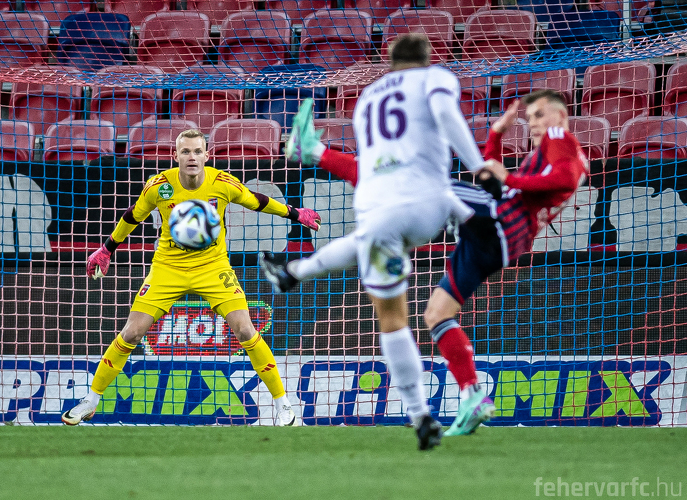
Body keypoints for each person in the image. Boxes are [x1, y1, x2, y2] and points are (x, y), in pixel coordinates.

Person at [265, 89, 588, 437]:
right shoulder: (547, 151)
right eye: (531, 116)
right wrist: (495, 136)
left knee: (405, 182)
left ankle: (313, 152)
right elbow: (490, 180)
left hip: (500, 222)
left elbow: (561, 178)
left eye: (539, 115)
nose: (533, 122)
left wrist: (509, 177)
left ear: (560, 115)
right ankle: (472, 395)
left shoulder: (561, 137)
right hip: (497, 240)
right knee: (436, 314)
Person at [264, 33, 489, 450]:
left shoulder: (368, 99)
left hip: (379, 209)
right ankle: (295, 270)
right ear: (427, 58)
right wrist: (480, 165)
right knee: (461, 211)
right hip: (432, 204)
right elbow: (443, 112)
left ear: (388, 61)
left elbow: (370, 167)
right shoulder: (434, 78)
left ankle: (420, 414)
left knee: (392, 318)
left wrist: (319, 155)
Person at [62, 128, 322, 427]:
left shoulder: (222, 182)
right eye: (185, 151)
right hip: (167, 268)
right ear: (176, 156)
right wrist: (107, 249)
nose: (192, 157)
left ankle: (284, 407)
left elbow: (257, 200)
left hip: (213, 267)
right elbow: (133, 215)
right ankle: (90, 401)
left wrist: (294, 213)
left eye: (197, 151)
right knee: (131, 334)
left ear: (206, 155)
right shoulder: (159, 186)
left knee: (246, 331)